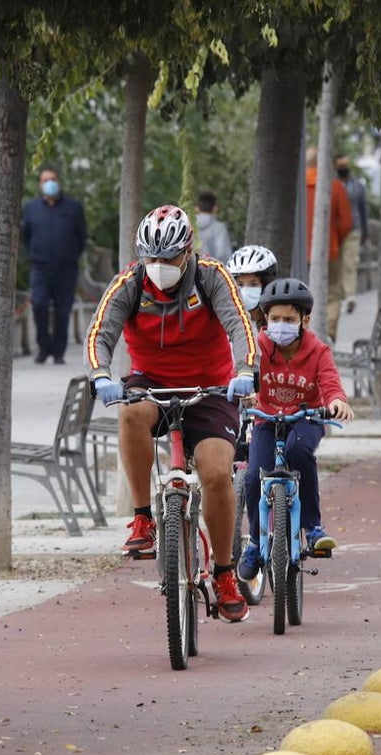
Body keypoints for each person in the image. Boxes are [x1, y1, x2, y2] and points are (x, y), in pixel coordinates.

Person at [85, 204, 258, 623]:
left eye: (169, 258)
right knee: (130, 413)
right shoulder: (130, 283)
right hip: (152, 382)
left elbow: (240, 326)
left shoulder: (212, 277)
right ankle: (142, 519)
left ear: (188, 252)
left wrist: (245, 370)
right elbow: (100, 332)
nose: (159, 266)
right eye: (151, 258)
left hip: (210, 388)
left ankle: (223, 573)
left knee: (216, 474)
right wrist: (100, 374)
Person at [236, 278, 355, 583]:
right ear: (266, 319)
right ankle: (254, 543)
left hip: (307, 418)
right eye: (275, 319)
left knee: (299, 451)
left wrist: (337, 401)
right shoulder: (258, 346)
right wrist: (244, 390)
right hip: (266, 419)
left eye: (289, 320)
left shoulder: (318, 351)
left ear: (305, 320)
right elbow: (243, 371)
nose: (281, 326)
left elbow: (330, 382)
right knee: (253, 477)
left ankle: (312, 528)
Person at [21, 165, 87, 365]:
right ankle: (43, 347)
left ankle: (59, 352)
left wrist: (71, 255)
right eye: (45, 180)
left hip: (66, 268)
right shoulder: (31, 208)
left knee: (62, 310)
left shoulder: (73, 207)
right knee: (39, 304)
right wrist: (35, 254)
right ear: (40, 184)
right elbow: (26, 236)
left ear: (58, 181)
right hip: (40, 267)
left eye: (53, 179)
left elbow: (81, 236)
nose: (49, 183)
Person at [305, 146, 353, 343]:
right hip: (329, 251)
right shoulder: (334, 186)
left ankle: (306, 335)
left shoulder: (297, 187)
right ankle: (329, 335)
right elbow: (347, 222)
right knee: (332, 294)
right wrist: (335, 240)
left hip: (301, 253)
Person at [335, 154, 369, 315]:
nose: (344, 169)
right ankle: (341, 296)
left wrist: (365, 233)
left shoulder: (358, 187)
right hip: (336, 231)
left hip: (353, 230)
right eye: (341, 166)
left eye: (345, 165)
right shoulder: (332, 185)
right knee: (338, 265)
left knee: (350, 263)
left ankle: (350, 296)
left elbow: (363, 210)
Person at [225, 244, 278, 331]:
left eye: (253, 284)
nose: (245, 291)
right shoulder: (225, 325)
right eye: (239, 285)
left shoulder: (276, 327)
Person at [195, 190, 233, 262]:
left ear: (196, 208)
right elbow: (223, 254)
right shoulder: (219, 228)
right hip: (212, 268)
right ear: (215, 208)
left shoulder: (188, 226)